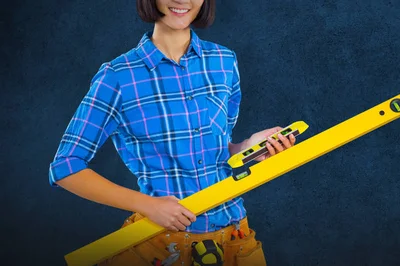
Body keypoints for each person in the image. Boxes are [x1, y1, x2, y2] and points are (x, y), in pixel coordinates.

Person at [48, 0, 295, 265]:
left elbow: (219, 150)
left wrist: (249, 147)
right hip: (161, 246)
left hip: (236, 240)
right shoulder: (118, 77)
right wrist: (147, 205)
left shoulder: (223, 62)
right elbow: (66, 167)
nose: (183, 0)